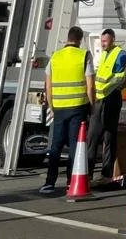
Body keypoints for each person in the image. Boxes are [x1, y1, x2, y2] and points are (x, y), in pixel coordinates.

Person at [41, 26, 95, 195]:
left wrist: (51, 105)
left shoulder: (55, 57)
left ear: (67, 38)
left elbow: (48, 85)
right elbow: (90, 85)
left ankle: (49, 182)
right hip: (78, 106)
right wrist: (92, 105)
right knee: (74, 146)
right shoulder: (84, 55)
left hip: (59, 107)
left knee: (55, 145)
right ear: (80, 40)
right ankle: (71, 182)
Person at [87, 29, 126, 186]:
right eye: (102, 41)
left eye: (105, 41)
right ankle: (88, 174)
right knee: (93, 136)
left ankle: (106, 174)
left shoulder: (119, 53)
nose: (103, 43)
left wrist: (123, 85)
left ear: (112, 40)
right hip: (101, 99)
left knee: (108, 136)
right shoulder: (104, 54)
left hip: (112, 99)